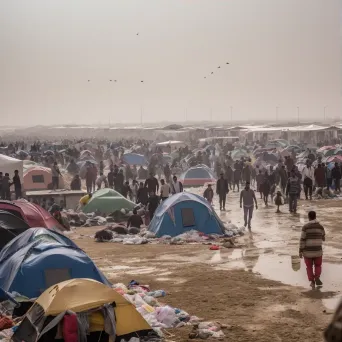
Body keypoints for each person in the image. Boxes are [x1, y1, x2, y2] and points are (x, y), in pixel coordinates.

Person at [299, 211, 325, 288]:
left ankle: (312, 281)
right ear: (315, 216)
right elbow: (323, 237)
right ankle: (317, 277)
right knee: (318, 265)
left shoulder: (305, 227)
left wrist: (300, 250)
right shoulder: (320, 227)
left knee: (309, 267)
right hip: (318, 251)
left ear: (309, 217)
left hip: (307, 251)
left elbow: (302, 239)